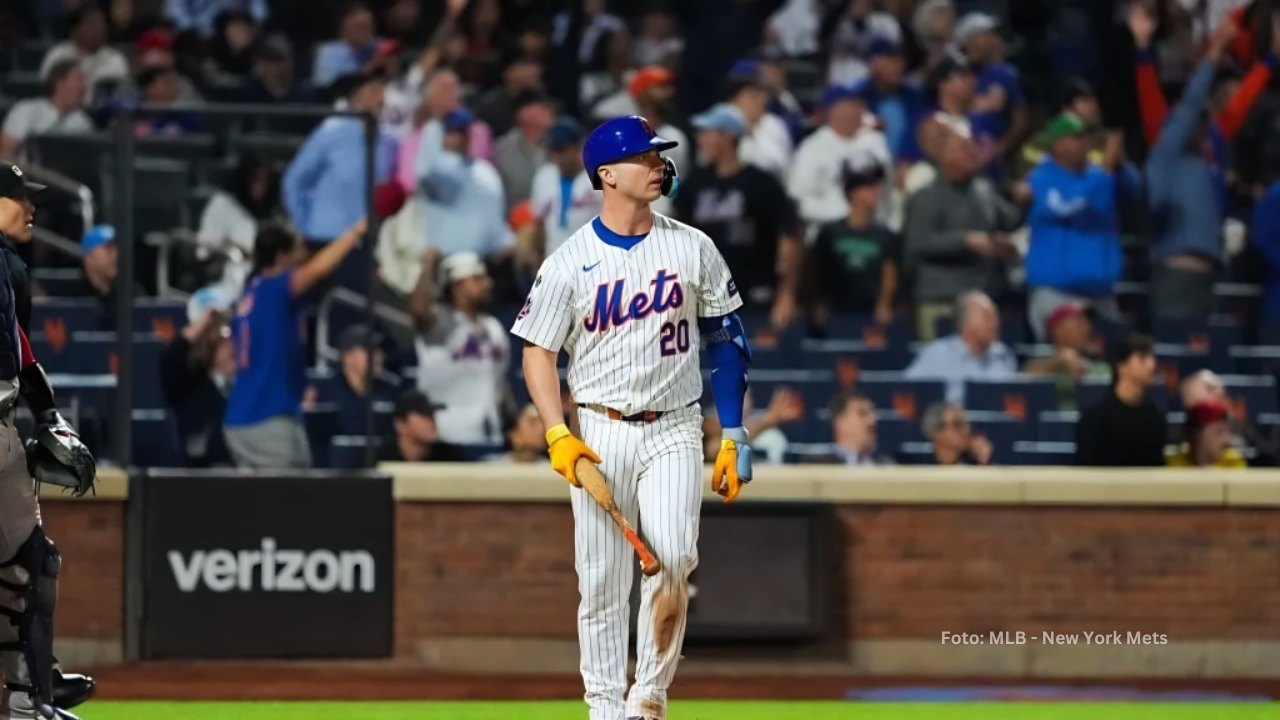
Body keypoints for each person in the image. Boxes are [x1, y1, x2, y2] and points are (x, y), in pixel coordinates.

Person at [511, 115, 751, 720]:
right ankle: (602, 706)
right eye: (644, 156)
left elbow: (725, 338)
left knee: (673, 558)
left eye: (658, 155)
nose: (657, 164)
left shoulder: (692, 245)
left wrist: (734, 430)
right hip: (599, 424)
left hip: (674, 423)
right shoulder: (571, 260)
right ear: (606, 174)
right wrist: (557, 431)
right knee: (600, 580)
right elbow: (537, 349)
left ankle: (648, 696)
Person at [0, 162, 98, 719]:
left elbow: (21, 351)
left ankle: (30, 693)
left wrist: (49, 415)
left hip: (4, 427)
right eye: (17, 197)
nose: (30, 206)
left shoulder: (8, 265)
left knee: (32, 565)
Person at [223, 218, 366, 469]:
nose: (304, 256)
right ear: (280, 256)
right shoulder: (274, 289)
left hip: (245, 417)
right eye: (297, 250)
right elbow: (318, 270)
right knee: (290, 501)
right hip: (265, 418)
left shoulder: (250, 295)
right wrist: (354, 232)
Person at [674, 103, 801, 332]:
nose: (699, 139)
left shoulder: (762, 183)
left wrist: (786, 294)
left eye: (706, 132)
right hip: (705, 297)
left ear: (727, 136)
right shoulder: (694, 184)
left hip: (755, 294)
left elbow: (790, 235)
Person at [409, 249, 511, 446]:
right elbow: (419, 311)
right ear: (456, 286)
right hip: (447, 431)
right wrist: (428, 267)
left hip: (490, 430)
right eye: (477, 279)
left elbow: (500, 381)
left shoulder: (493, 327)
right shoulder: (442, 323)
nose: (487, 284)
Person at [803, 162, 900, 330]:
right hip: (834, 313)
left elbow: (889, 272)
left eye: (876, 188)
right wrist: (817, 304)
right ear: (853, 193)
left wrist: (885, 304)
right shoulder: (830, 234)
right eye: (869, 188)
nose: (876, 193)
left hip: (871, 316)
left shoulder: (886, 236)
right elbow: (815, 273)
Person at [903, 291, 1016, 405]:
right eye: (987, 318)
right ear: (965, 323)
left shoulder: (1003, 355)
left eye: (995, 317)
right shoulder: (937, 355)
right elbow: (905, 390)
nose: (994, 324)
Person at [160, 297, 235, 467]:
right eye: (224, 341)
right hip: (202, 472)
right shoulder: (192, 385)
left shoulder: (250, 383)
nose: (232, 347)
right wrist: (203, 322)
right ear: (210, 344)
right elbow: (170, 360)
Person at [1075, 334, 1168, 467]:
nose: (1151, 365)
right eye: (1142, 358)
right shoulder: (1095, 419)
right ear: (1121, 366)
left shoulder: (1155, 418)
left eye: (1152, 358)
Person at [529, 117, 600, 258]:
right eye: (554, 150)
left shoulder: (598, 176)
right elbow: (539, 224)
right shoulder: (544, 177)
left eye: (562, 150)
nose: (557, 157)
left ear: (578, 146)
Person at [312, 325, 400, 436]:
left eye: (378, 350)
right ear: (347, 356)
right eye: (368, 350)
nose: (377, 356)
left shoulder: (390, 390)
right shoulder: (325, 392)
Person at [1021, 302, 1109, 411]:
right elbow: (1020, 385)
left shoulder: (1099, 366)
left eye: (1087, 322)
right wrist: (1058, 361)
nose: (1086, 328)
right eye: (1078, 322)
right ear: (1057, 329)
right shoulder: (1038, 363)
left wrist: (1083, 371)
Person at [0, 60, 93, 161]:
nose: (84, 87)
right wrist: (19, 175)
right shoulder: (26, 110)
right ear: (59, 83)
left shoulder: (84, 123)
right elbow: (6, 153)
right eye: (79, 80)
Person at [376, 390, 465, 462]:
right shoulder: (381, 459)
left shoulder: (449, 457)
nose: (432, 421)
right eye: (424, 416)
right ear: (401, 425)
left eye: (432, 415)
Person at [808, 390, 890, 466]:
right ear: (840, 422)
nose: (872, 421)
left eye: (872, 414)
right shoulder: (816, 465)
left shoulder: (887, 466)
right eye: (862, 414)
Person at [1166, 398, 1247, 468]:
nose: (1226, 440)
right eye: (1219, 432)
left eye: (1227, 431)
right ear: (1196, 434)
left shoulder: (1233, 464)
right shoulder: (1171, 466)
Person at [921, 401, 992, 466]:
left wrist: (984, 463)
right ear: (937, 432)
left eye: (965, 423)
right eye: (958, 424)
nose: (967, 429)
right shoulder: (919, 469)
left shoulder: (974, 466)